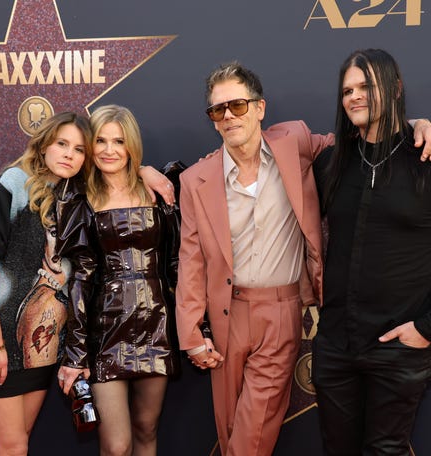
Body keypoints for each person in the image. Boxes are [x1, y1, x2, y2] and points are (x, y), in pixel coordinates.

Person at [175, 61, 431, 456]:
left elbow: (366, 138)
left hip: (281, 311)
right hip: (225, 315)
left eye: (238, 105)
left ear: (260, 108)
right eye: (217, 110)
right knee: (229, 431)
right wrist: (191, 333)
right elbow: (191, 259)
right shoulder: (197, 178)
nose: (228, 116)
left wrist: (416, 123)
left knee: (251, 437)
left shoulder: (293, 142)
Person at [311, 48, 431, 455]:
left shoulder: (425, 160)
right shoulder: (331, 162)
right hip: (335, 346)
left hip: (400, 346)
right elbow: (258, 155)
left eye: (366, 86)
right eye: (347, 90)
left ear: (395, 89)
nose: (354, 97)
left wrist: (426, 329)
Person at [56, 104, 184, 456]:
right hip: (105, 329)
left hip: (156, 323)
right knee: (116, 445)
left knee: (146, 429)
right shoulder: (80, 200)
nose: (109, 150)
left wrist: (197, 326)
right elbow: (81, 279)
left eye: (119, 141)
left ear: (131, 146)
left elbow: (176, 262)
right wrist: (77, 351)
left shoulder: (159, 190)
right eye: (100, 140)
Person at [0, 111, 92, 455]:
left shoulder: (74, 200)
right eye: (62, 144)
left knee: (17, 445)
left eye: (80, 149)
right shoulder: (15, 183)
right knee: (12, 447)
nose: (70, 154)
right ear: (43, 147)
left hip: (40, 349)